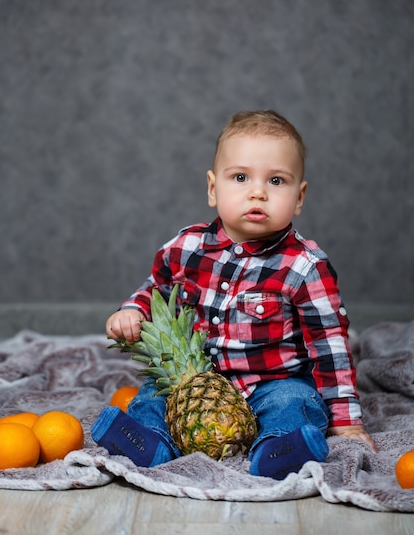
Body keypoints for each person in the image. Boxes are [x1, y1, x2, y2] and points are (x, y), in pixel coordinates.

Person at [91, 109, 377, 480]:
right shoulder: (186, 247)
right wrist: (132, 310)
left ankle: (276, 451)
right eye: (240, 177)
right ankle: (150, 442)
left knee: (297, 403)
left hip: (273, 383)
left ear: (300, 196)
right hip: (194, 384)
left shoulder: (304, 266)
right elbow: (156, 289)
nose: (257, 191)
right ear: (213, 188)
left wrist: (346, 421)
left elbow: (330, 346)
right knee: (151, 398)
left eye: (276, 181)